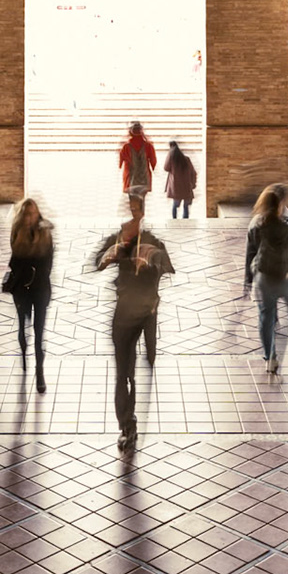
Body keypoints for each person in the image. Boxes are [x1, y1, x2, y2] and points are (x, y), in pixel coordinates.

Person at [93, 193, 174, 451]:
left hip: (146, 312)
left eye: (137, 209)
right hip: (125, 311)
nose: (133, 214)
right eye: (130, 208)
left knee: (146, 361)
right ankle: (127, 425)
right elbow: (97, 261)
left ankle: (131, 420)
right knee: (124, 373)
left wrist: (152, 257)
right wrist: (111, 255)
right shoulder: (118, 239)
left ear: (143, 212)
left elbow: (167, 266)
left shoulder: (152, 240)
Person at [243, 182, 288, 375]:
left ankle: (270, 357)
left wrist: (248, 279)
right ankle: (282, 343)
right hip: (286, 278)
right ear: (281, 204)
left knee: (265, 316)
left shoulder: (256, 225)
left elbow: (250, 253)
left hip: (264, 277)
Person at [6, 196, 55, 394]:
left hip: (40, 288)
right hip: (21, 288)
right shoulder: (17, 232)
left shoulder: (45, 233)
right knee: (22, 327)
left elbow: (49, 262)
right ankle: (24, 353)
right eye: (26, 214)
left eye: (33, 214)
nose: (29, 218)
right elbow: (14, 260)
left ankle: (39, 371)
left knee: (39, 331)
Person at [118, 122, 157, 199]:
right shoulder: (148, 146)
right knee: (142, 198)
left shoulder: (126, 146)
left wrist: (120, 165)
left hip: (130, 178)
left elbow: (121, 158)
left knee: (132, 199)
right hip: (144, 178)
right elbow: (153, 160)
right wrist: (153, 166)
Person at [163, 140, 197, 220]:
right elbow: (193, 172)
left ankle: (174, 220)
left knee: (175, 205)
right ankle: (185, 220)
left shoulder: (172, 160)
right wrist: (193, 183)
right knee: (186, 206)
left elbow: (166, 168)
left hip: (176, 186)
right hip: (186, 186)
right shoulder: (186, 159)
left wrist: (169, 155)